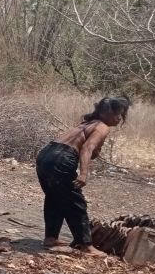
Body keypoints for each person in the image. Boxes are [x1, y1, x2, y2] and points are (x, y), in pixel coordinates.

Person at [35, 96, 130, 251]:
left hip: (46, 154)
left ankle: (51, 238)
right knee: (76, 202)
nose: (119, 117)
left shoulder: (87, 124)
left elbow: (88, 149)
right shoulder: (102, 127)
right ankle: (85, 245)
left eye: (122, 114)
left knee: (55, 197)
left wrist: (95, 150)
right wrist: (84, 173)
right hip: (62, 158)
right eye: (116, 113)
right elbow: (86, 149)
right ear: (105, 112)